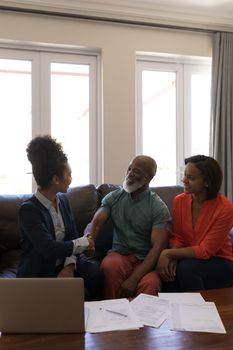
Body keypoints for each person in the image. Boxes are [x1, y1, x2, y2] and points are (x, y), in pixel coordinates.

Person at [17, 135, 103, 301]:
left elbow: (72, 236)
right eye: (69, 174)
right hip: (39, 271)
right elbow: (49, 249)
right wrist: (85, 242)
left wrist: (69, 266)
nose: (71, 179)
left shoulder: (63, 200)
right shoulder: (28, 211)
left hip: (62, 264)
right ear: (56, 179)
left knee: (94, 271)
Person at [84, 155, 171, 299]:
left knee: (151, 283)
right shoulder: (114, 197)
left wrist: (134, 279)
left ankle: (142, 321)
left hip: (145, 261)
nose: (130, 173)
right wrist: (89, 239)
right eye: (129, 168)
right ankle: (112, 317)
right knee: (109, 266)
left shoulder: (158, 207)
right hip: (119, 255)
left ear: (148, 178)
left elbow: (157, 249)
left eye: (136, 171)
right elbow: (96, 223)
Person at [157, 155, 233, 292]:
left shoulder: (226, 208)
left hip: (220, 262)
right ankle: (175, 312)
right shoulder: (180, 200)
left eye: (191, 178)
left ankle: (201, 311)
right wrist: (173, 255)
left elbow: (205, 251)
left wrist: (168, 253)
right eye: (185, 175)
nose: (184, 180)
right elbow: (178, 237)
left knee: (186, 268)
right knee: (169, 273)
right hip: (189, 258)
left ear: (207, 182)